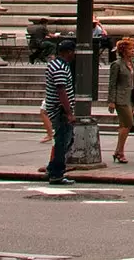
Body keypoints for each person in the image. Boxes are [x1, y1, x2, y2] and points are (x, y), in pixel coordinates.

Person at [43, 39, 79, 184]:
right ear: (68, 52)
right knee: (62, 141)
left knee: (65, 140)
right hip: (60, 109)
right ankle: (56, 172)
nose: (74, 54)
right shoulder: (60, 67)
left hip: (57, 108)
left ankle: (53, 168)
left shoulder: (56, 64)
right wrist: (69, 112)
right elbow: (61, 91)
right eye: (73, 51)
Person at [107, 36, 134, 164]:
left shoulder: (133, 63)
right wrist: (111, 101)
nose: (133, 51)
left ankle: (118, 151)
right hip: (120, 98)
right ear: (124, 51)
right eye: (131, 49)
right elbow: (112, 83)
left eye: (133, 48)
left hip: (130, 96)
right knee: (128, 123)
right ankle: (119, 151)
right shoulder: (116, 65)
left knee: (124, 125)